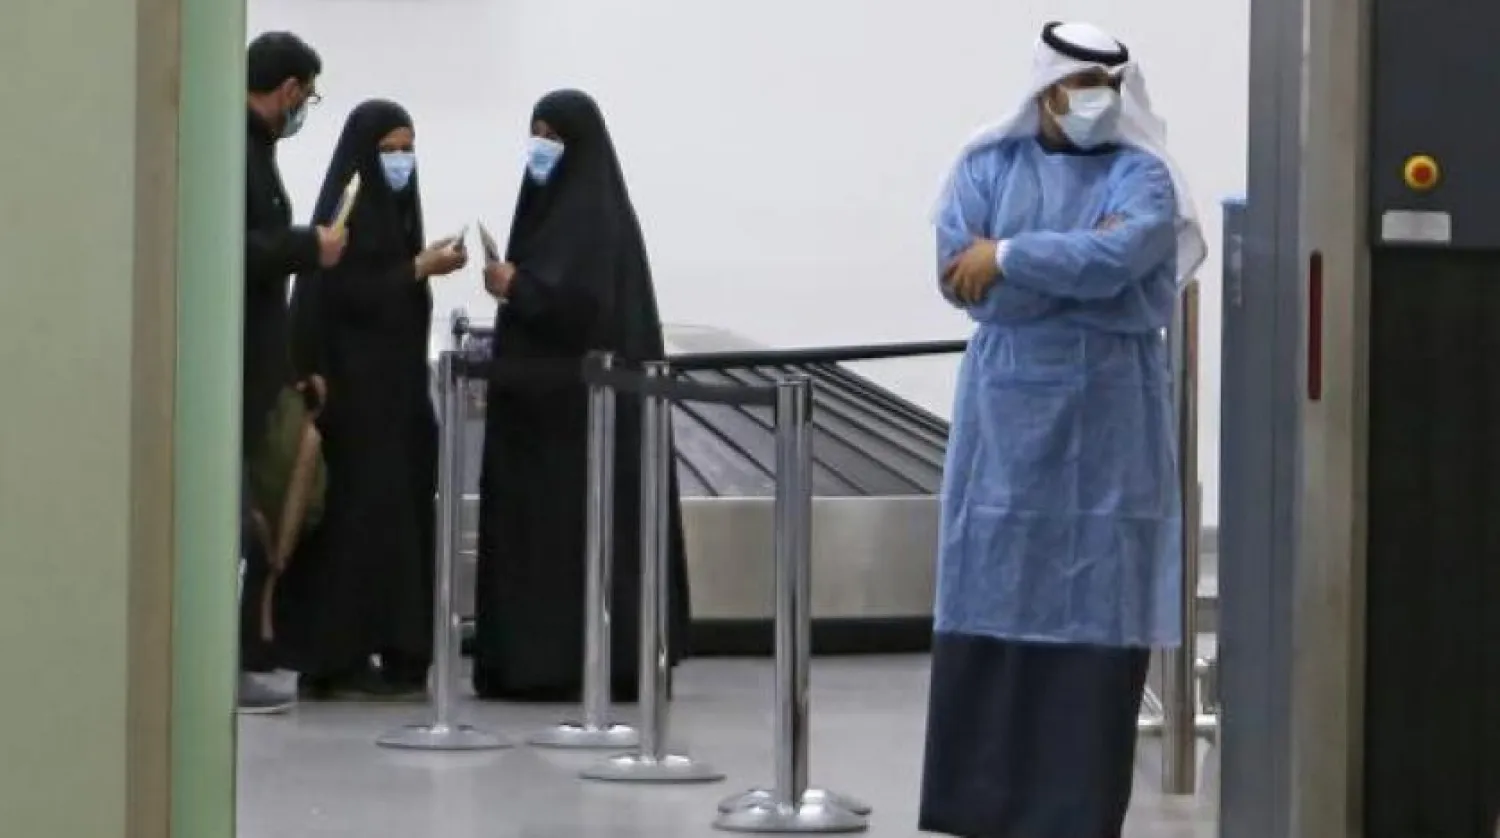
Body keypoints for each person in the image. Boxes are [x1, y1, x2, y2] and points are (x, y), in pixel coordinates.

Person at [918, 21, 1206, 838]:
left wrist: (1006, 256)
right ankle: (982, 804)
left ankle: (1073, 810)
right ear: (1046, 89)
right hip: (1004, 418)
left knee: (1096, 597)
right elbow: (958, 276)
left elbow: (1120, 261)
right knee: (994, 585)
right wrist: (1053, 268)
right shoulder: (984, 165)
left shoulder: (1145, 177)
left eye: (1108, 88)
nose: (1096, 104)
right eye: (1082, 87)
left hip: (1113, 415)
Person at [472, 89, 690, 701]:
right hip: (549, 414)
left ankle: (576, 662)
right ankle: (536, 660)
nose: (541, 148)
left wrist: (520, 286)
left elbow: (582, 306)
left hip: (581, 419)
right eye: (536, 133)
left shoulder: (596, 218)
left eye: (553, 136)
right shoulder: (558, 209)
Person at [278, 100, 469, 700]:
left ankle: (398, 647)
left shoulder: (395, 215)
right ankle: (338, 654)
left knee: (396, 523)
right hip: (353, 403)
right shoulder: (347, 210)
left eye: (407, 149)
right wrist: (414, 269)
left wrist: (417, 267)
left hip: (397, 400)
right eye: (387, 150)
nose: (399, 161)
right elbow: (343, 296)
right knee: (353, 527)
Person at [239, 31, 346, 714]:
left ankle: (247, 654)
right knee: (239, 519)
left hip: (257, 366)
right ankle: (233, 662)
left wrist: (288, 372)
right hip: (236, 371)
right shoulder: (237, 153)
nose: (303, 107)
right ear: (288, 89)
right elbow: (236, 251)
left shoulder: (255, 150)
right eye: (306, 95)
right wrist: (312, 245)